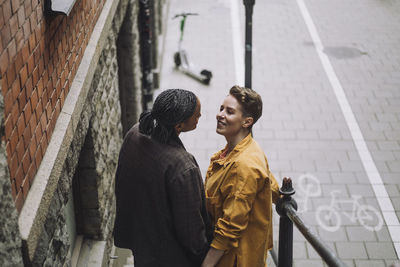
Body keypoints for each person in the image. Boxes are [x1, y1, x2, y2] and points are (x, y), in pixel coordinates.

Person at [113, 89, 213, 267]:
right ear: (179, 126)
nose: (200, 117)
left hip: (142, 243)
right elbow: (190, 228)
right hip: (170, 256)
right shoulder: (182, 166)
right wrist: (204, 256)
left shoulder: (135, 132)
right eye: (196, 116)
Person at [201, 86, 280, 267]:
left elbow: (229, 228)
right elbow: (268, 181)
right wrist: (281, 194)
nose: (220, 115)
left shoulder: (243, 166)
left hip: (234, 260)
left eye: (229, 112)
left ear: (247, 122)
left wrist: (206, 265)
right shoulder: (246, 149)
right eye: (221, 108)